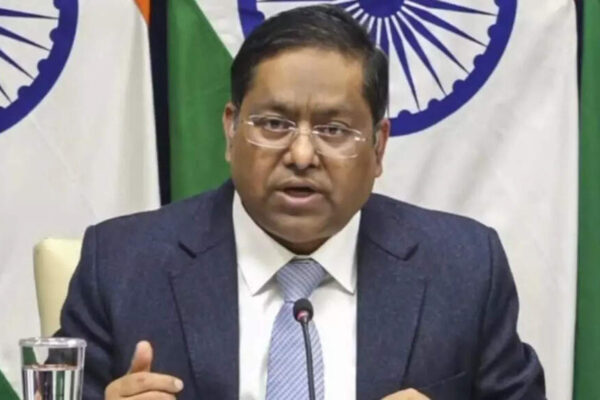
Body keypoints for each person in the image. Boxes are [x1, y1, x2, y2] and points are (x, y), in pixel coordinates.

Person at [58, 5, 545, 400]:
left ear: (378, 148)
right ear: (231, 130)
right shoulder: (121, 265)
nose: (302, 155)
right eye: (274, 124)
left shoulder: (464, 269)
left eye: (333, 130)